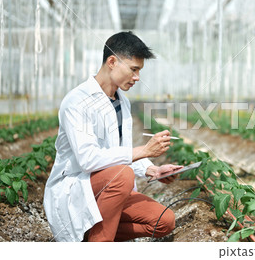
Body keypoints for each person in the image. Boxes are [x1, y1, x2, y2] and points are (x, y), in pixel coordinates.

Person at [43, 31, 182, 242]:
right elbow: (88, 159)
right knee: (123, 175)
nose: (137, 78)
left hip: (110, 188)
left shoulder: (121, 101)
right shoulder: (78, 101)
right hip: (78, 187)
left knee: (164, 220)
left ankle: (91, 234)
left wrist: (153, 169)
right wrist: (144, 150)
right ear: (112, 62)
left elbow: (120, 149)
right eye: (134, 70)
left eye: (139, 71)